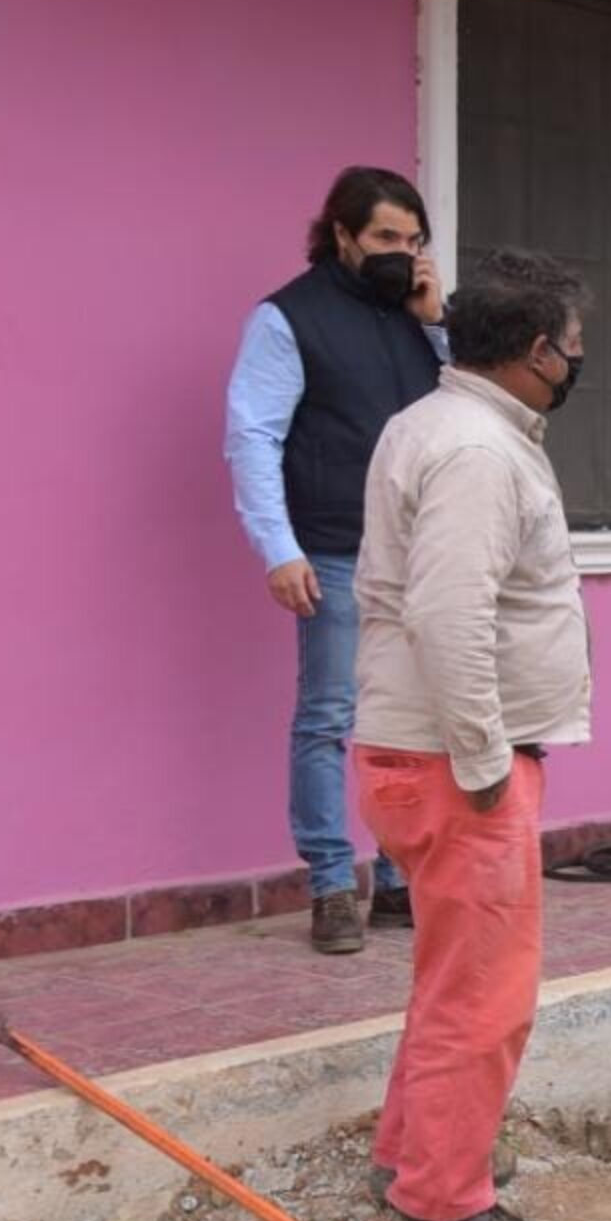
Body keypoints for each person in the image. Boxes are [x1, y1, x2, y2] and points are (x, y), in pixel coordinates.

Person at [352, 249, 591, 1221]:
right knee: (485, 996)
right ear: (536, 352)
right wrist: (486, 762)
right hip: (454, 764)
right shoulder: (477, 452)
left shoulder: (437, 424)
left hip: (424, 752)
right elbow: (448, 613)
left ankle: (410, 1157)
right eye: (575, 346)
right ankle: (444, 1202)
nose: (580, 361)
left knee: (450, 978)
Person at [225, 167, 448, 954]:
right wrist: (278, 548)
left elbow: (470, 408)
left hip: (422, 554)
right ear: (344, 233)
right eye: (387, 237)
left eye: (415, 240)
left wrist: (436, 321)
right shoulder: (288, 318)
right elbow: (252, 436)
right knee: (328, 719)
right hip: (333, 549)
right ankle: (330, 886)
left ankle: (395, 881)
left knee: (411, 723)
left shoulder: (418, 320)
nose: (403, 253)